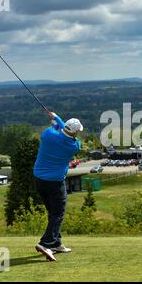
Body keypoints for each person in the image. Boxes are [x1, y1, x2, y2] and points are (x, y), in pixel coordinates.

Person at [33, 111, 83, 262]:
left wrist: (56, 120)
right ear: (75, 133)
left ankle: (56, 243)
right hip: (55, 183)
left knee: (52, 213)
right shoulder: (74, 146)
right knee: (58, 213)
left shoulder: (48, 135)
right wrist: (57, 119)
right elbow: (68, 133)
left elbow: (57, 129)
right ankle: (45, 243)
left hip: (39, 180)